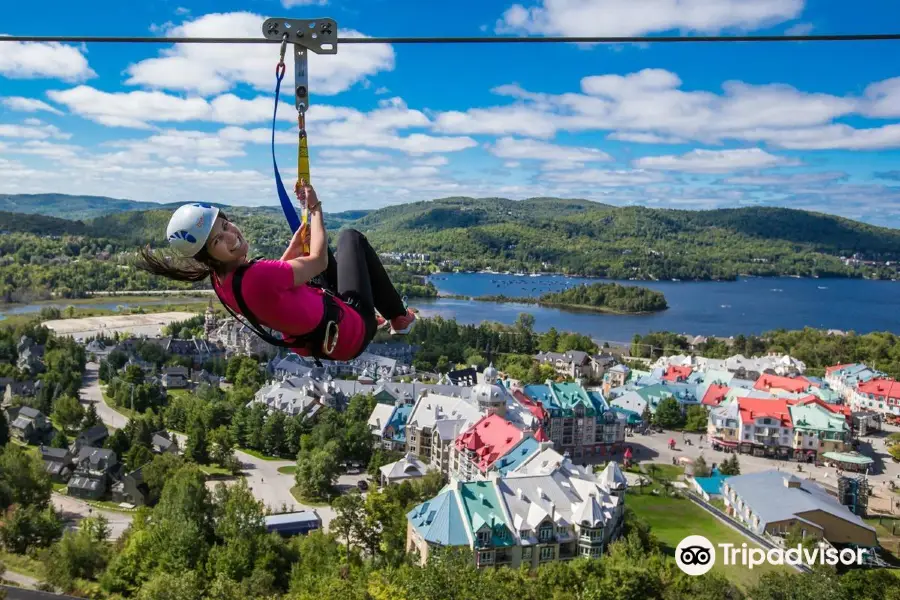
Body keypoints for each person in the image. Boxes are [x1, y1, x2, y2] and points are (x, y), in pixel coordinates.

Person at [134, 180, 416, 362]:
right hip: (352, 330)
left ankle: (382, 314)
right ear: (207, 256)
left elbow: (269, 291)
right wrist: (314, 207)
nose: (231, 236)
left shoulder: (222, 281)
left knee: (312, 250)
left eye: (225, 225)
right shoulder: (257, 276)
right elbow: (318, 262)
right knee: (350, 238)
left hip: (326, 339)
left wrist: (294, 247)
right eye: (218, 240)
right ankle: (398, 318)